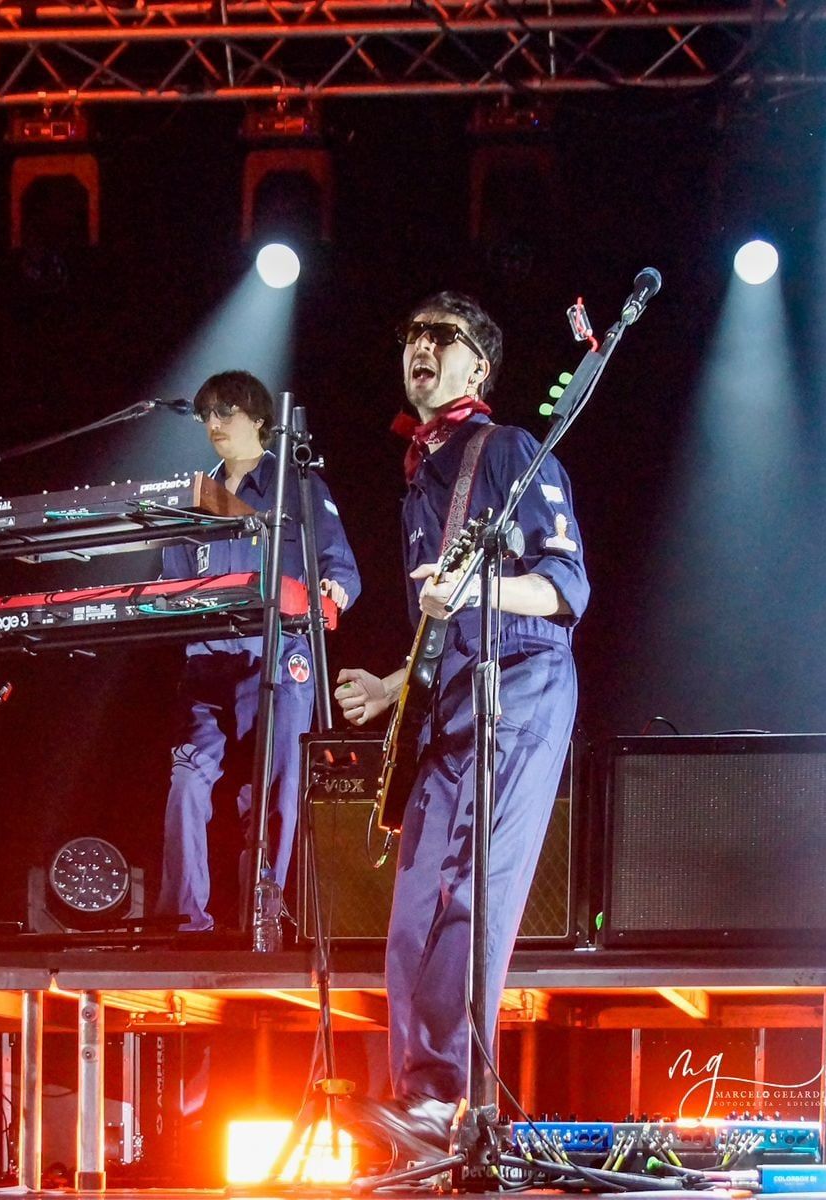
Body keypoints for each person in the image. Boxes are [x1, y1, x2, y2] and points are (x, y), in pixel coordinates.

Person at [334, 293, 588, 1154]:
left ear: (479, 365)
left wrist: (477, 589)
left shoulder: (509, 449)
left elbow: (562, 589)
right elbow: (447, 621)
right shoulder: (419, 480)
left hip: (519, 685)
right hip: (448, 702)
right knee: (412, 907)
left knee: (473, 890)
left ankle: (445, 1096)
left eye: (443, 338)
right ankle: (421, 1100)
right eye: (411, 335)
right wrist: (391, 683)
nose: (421, 348)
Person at [155, 370, 360, 933]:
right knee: (187, 780)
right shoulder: (192, 495)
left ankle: (261, 915)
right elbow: (171, 585)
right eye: (207, 415)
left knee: (273, 789)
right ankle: (183, 918)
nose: (214, 424)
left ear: (260, 420)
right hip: (206, 659)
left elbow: (340, 565)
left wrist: (334, 586)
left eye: (226, 412)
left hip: (276, 652)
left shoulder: (298, 484)